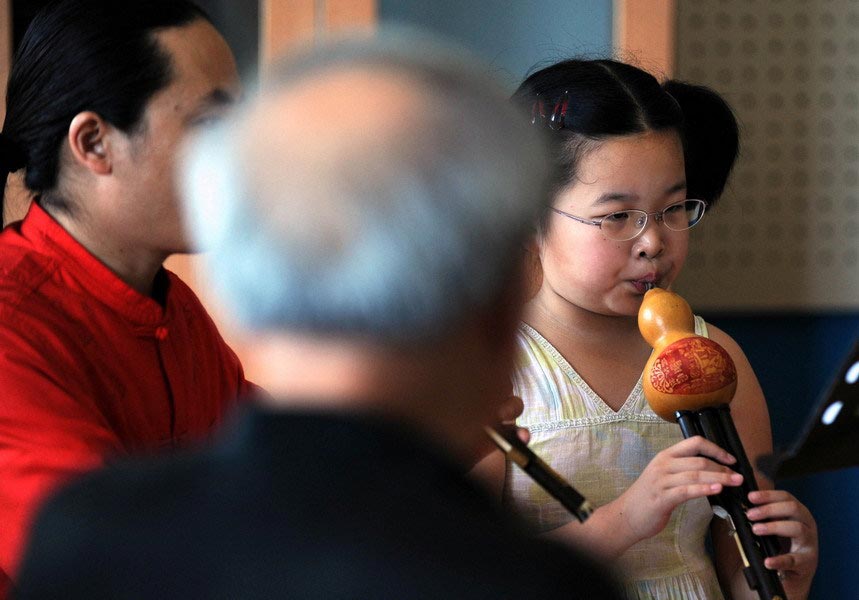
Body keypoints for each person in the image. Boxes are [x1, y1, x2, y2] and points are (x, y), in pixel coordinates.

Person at [13, 35, 623, 600]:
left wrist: (430, 440)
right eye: (206, 120)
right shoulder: (527, 583)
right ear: (498, 310)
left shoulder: (83, 538)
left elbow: (297, 461)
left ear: (238, 296)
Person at [478, 59, 819, 599]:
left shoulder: (714, 355)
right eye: (618, 216)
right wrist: (628, 517)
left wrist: (787, 575)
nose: (653, 242)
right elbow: (473, 572)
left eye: (674, 207)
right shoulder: (487, 365)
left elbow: (745, 574)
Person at [0, 1, 252, 595]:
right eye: (212, 128)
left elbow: (261, 444)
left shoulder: (174, 308)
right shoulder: (12, 323)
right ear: (94, 143)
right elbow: (111, 558)